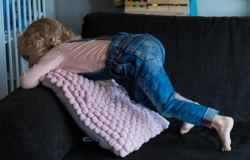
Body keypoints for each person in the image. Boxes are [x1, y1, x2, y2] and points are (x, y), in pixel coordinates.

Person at [18, 18, 234, 152]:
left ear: (39, 45)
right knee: (147, 97)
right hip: (147, 44)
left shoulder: (57, 52)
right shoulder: (77, 45)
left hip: (134, 55)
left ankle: (219, 121)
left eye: (28, 56)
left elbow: (27, 81)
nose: (29, 62)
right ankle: (191, 112)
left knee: (165, 104)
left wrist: (33, 70)